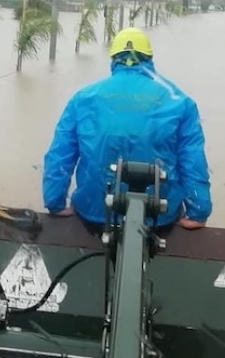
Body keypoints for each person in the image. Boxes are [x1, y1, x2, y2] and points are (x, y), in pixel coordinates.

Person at [42, 27, 212, 230]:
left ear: (113, 59)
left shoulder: (83, 99)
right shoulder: (181, 102)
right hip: (159, 218)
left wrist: (54, 202)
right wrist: (199, 211)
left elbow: (60, 155)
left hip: (95, 213)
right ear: (149, 59)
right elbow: (192, 161)